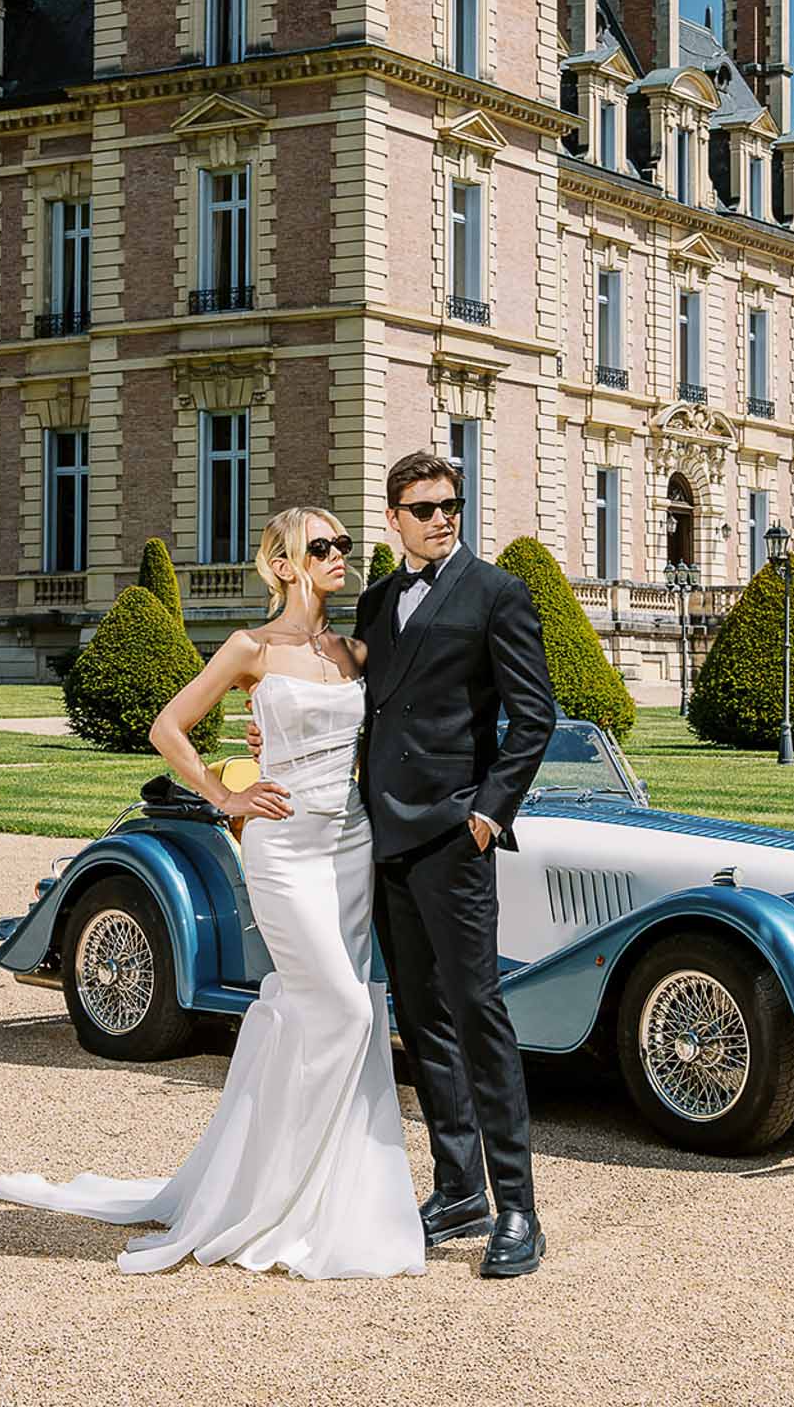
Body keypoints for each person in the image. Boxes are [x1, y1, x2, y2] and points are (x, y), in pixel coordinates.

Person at [0, 507, 425, 1281]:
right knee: (348, 1009)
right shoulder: (251, 647)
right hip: (285, 848)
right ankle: (277, 1196)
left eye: (343, 546)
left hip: (350, 843)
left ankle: (338, 1199)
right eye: (320, 547)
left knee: (330, 1005)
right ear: (284, 564)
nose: (338, 557)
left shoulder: (357, 651)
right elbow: (170, 726)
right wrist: (227, 799)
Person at [247, 448, 557, 1278]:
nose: (442, 519)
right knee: (421, 1023)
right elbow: (355, 708)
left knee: (479, 1015)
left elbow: (533, 719)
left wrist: (488, 817)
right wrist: (270, 743)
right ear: (394, 519)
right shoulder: (379, 601)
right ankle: (458, 1189)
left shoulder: (497, 593)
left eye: (451, 505)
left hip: (456, 840)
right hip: (380, 843)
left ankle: (518, 1208)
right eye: (424, 508)